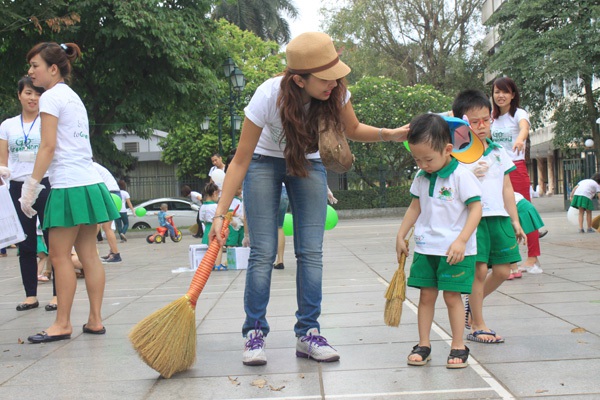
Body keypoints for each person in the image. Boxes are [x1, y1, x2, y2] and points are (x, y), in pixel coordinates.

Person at [208, 32, 409, 366]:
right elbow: (240, 160)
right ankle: (254, 332)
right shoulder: (267, 96)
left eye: (336, 75)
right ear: (299, 80)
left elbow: (353, 129)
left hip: (310, 162)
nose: (334, 83)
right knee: (262, 251)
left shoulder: (336, 92)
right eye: (325, 78)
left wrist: (391, 134)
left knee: (311, 251)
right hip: (263, 162)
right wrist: (220, 213)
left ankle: (308, 333)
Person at [22, 42, 120, 343]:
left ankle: (62, 323)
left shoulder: (50, 97)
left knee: (59, 255)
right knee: (89, 254)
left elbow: (48, 146)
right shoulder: (74, 97)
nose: (30, 71)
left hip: (68, 184)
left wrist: (31, 186)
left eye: (35, 65)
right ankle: (94, 320)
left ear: (53, 68)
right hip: (90, 182)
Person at [397, 113, 482, 369]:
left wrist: (461, 240)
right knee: (425, 296)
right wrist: (401, 234)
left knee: (453, 297)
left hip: (455, 250)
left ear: (447, 149)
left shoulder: (462, 176)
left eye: (428, 159)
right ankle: (424, 344)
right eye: (417, 159)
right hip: (426, 247)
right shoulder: (421, 177)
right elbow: (415, 207)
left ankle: (458, 345)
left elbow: (476, 209)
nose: (423, 164)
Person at [454, 89, 526, 344]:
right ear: (463, 122)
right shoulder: (457, 155)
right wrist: (471, 171)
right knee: (479, 270)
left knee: (504, 271)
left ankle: (472, 306)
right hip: (474, 219)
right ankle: (478, 324)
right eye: (475, 121)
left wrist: (515, 220)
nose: (482, 125)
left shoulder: (498, 151)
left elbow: (507, 188)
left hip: (499, 217)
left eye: (486, 119)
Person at [0, 75, 56, 311]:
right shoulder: (7, 125)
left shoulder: (48, 121)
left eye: (38, 93)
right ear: (19, 95)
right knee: (25, 243)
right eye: (28, 93)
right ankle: (30, 295)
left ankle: (57, 296)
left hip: (44, 184)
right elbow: (3, 160)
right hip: (17, 187)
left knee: (54, 242)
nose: (33, 98)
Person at [491, 77, 542, 274]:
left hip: (516, 168)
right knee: (502, 214)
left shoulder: (519, 113)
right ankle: (510, 261)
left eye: (505, 92)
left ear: (513, 95)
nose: (500, 96)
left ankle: (532, 258)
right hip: (496, 171)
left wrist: (520, 140)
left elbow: (524, 128)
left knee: (524, 213)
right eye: (497, 92)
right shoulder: (491, 117)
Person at [508, 192, 545, 278]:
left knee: (506, 237)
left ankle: (510, 267)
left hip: (515, 205)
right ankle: (514, 268)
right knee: (510, 236)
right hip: (519, 203)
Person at [92, 162, 123, 263]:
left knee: (104, 226)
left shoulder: (91, 166)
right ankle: (112, 253)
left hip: (109, 193)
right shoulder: (96, 166)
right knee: (103, 225)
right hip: (112, 193)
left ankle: (115, 254)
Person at [199, 182, 226, 270]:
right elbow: (219, 217)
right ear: (214, 193)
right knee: (218, 247)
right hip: (215, 228)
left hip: (207, 228)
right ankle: (218, 264)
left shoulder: (202, 206)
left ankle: (211, 264)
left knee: (210, 250)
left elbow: (201, 219)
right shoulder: (215, 206)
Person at [273, 184, 289, 270]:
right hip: (284, 191)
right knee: (279, 227)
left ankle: (265, 260)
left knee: (265, 226)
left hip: (270, 188)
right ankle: (280, 260)